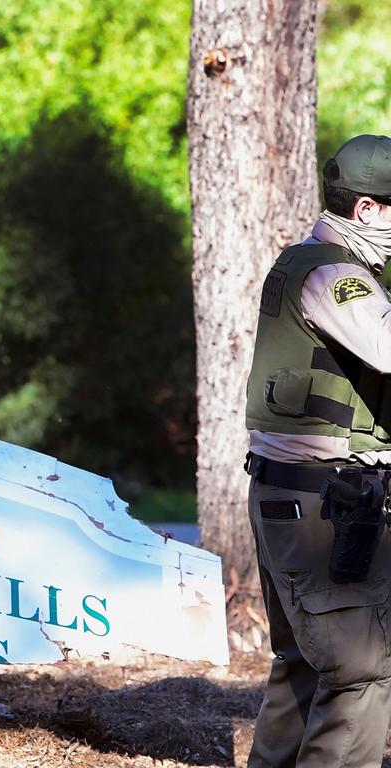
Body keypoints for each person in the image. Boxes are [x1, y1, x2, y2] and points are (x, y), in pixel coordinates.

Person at [244, 134, 391, 765]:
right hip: (321, 506)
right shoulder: (334, 275)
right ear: (366, 211)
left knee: (306, 665)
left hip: (302, 498)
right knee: (361, 675)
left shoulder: (315, 261)